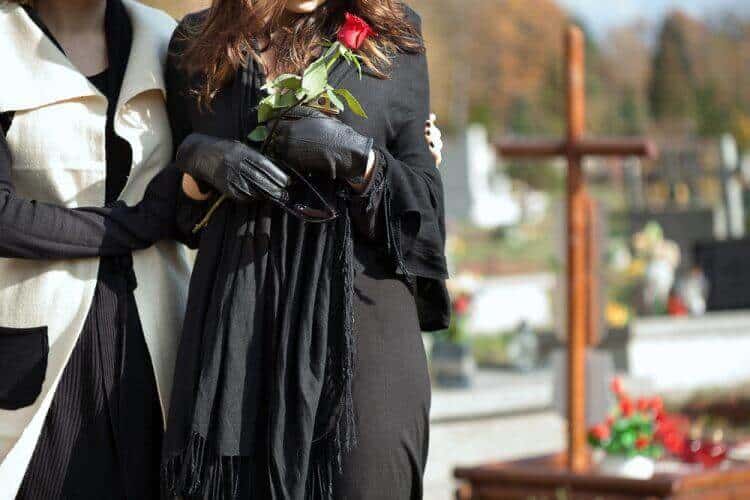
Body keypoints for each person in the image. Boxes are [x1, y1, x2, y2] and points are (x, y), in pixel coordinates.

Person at [162, 1, 450, 498]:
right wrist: (198, 163)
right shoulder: (196, 40)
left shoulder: (391, 33)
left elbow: (424, 213)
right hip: (239, 337)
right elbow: (174, 211)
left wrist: (360, 161)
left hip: (363, 336)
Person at [0, 1, 205, 498]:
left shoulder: (169, 39)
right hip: (39, 349)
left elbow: (196, 200)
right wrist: (135, 225)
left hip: (157, 341)